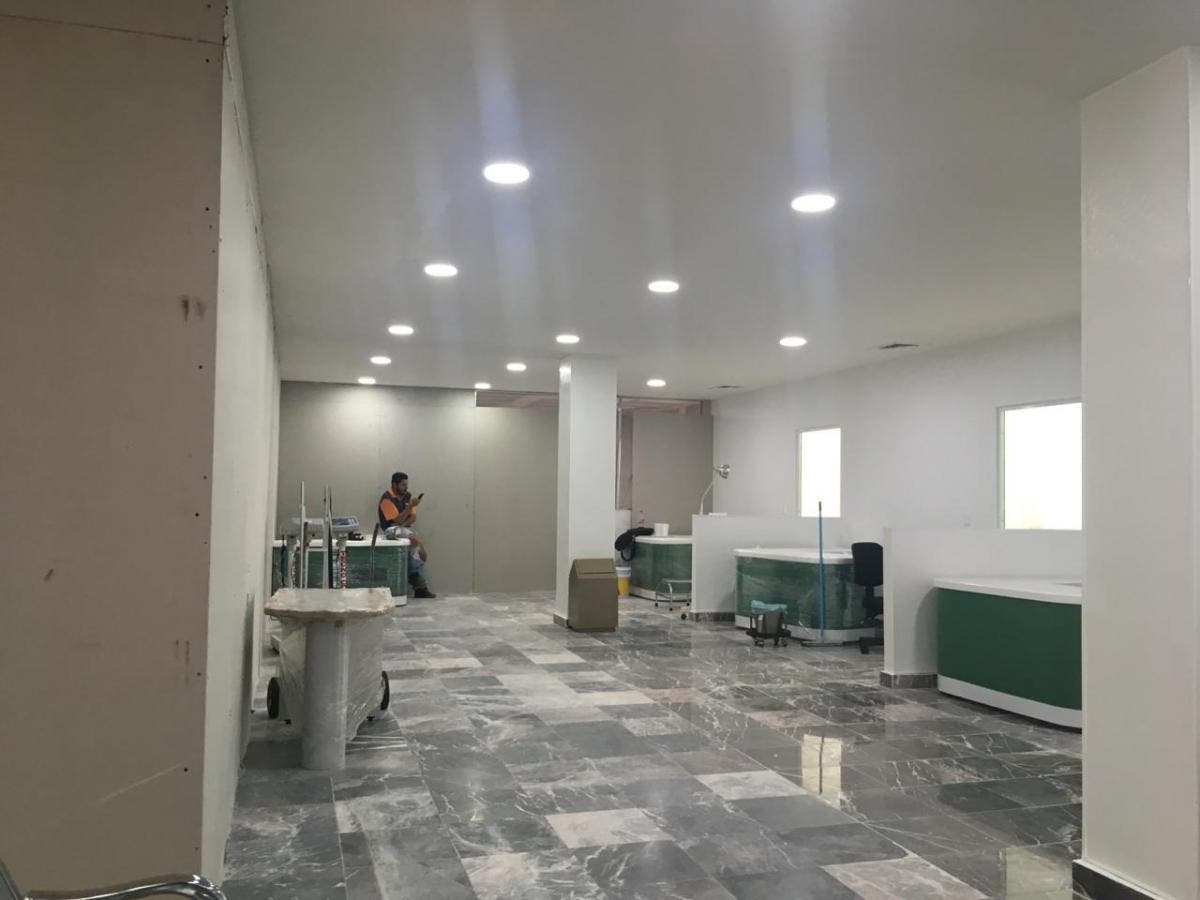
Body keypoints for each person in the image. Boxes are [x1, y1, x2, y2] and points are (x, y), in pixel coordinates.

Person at [378, 471, 436, 598]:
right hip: (390, 531)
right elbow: (396, 520)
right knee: (415, 548)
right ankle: (420, 587)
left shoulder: (408, 496)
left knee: (417, 551)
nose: (406, 488)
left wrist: (401, 524)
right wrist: (409, 507)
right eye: (403, 485)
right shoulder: (386, 499)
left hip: (403, 529)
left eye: (407, 485)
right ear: (394, 484)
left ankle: (419, 584)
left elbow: (412, 518)